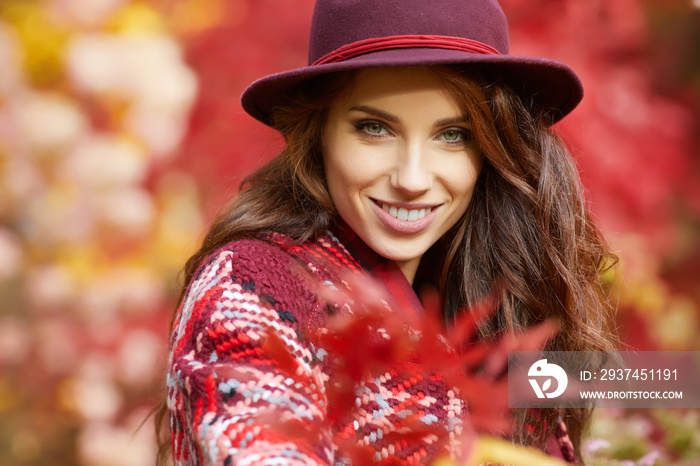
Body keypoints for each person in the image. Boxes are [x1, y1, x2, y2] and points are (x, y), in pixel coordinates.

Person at [155, 0, 618, 464]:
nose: (412, 178)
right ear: (318, 132)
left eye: (453, 134)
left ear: (492, 149)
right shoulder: (253, 284)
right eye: (374, 128)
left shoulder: (486, 291)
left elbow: (655, 384)